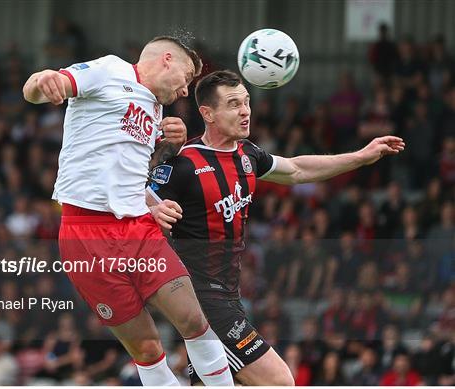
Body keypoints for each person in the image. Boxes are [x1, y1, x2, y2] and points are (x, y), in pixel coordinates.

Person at [147, 70, 405, 385]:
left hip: (228, 297)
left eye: (247, 102)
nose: (245, 111)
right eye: (233, 104)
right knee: (280, 381)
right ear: (207, 114)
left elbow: (296, 168)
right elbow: (134, 201)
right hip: (203, 302)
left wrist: (361, 157)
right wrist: (153, 205)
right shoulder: (184, 163)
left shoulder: (248, 155)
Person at [23, 37, 233, 386]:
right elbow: (37, 89)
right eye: (185, 77)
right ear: (167, 60)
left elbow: (131, 173)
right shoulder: (109, 70)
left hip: (138, 228)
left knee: (194, 322)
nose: (185, 91)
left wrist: (157, 192)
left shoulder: (156, 109)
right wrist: (42, 79)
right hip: (84, 235)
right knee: (147, 350)